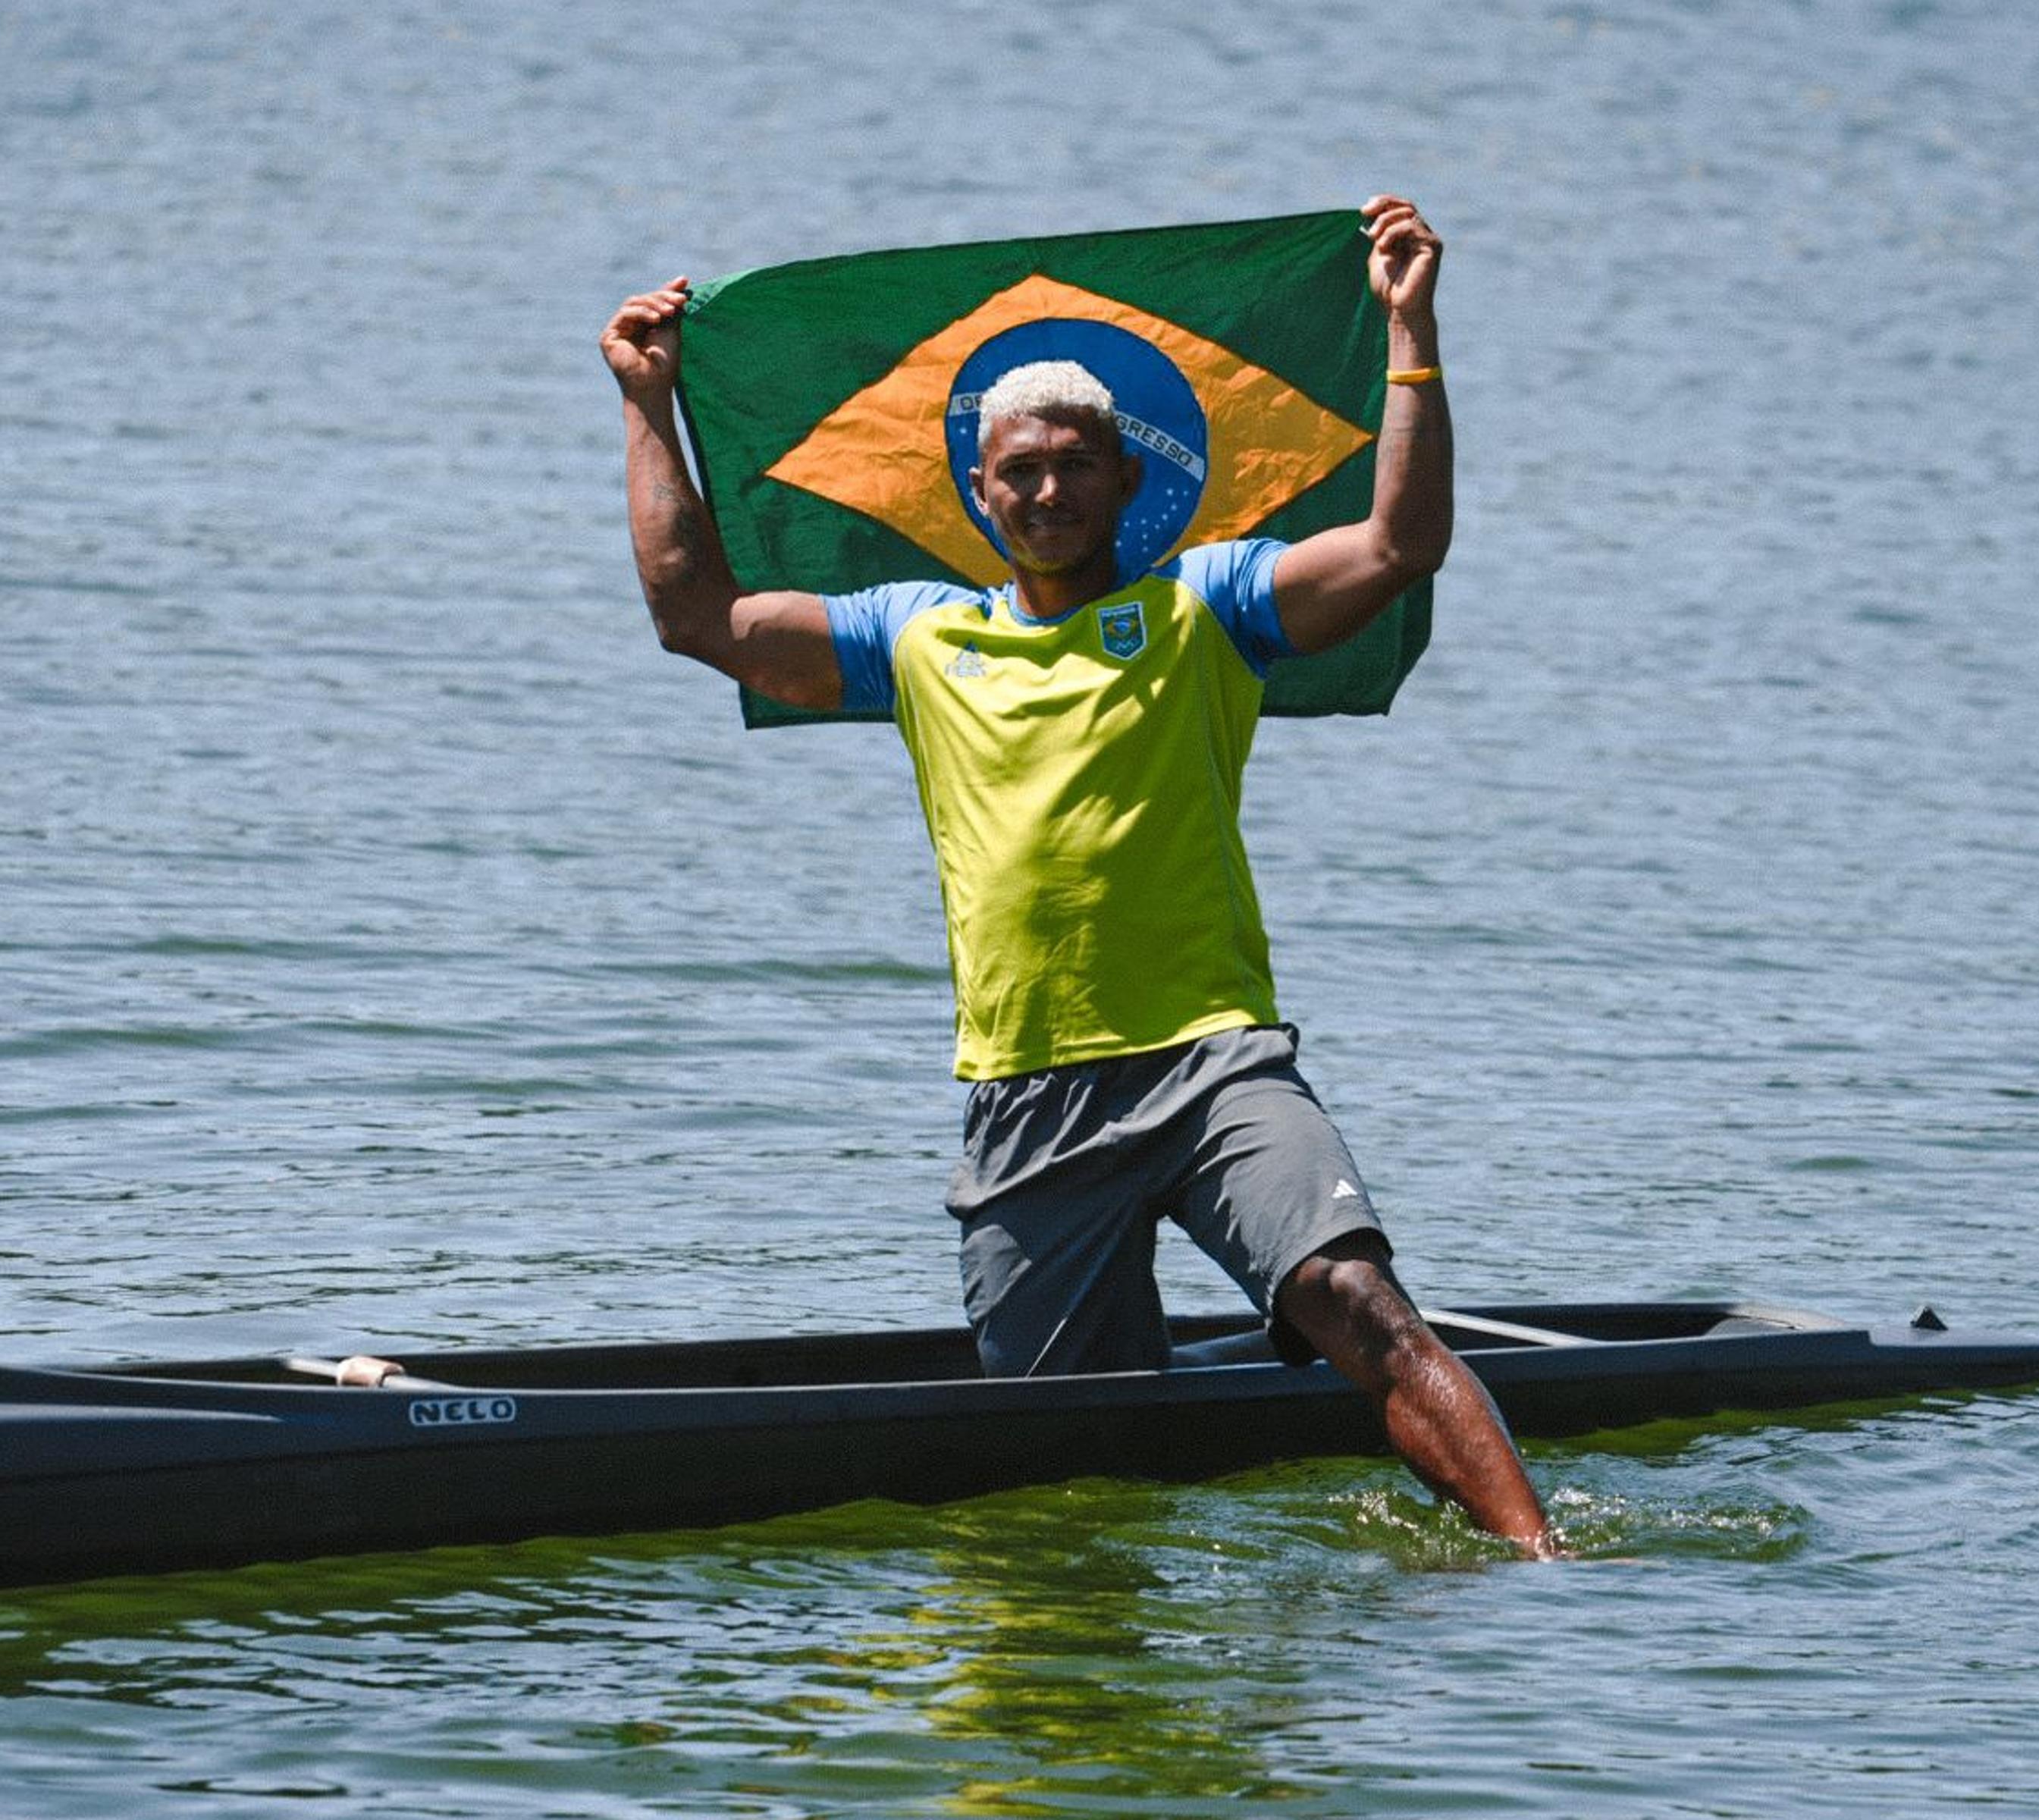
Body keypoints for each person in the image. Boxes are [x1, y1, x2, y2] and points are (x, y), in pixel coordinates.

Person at [597, 196, 1561, 1555]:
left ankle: (1548, 1570)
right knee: (1073, 1464)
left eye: (1073, 465)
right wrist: (647, 404)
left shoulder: (1207, 608)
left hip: (1215, 1067)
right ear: (977, 493)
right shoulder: (915, 640)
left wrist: (1411, 333)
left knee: (1361, 1304)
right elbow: (695, 617)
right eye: (1016, 472)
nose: (1045, 490)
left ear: (1123, 479)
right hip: (1027, 1100)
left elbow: (1399, 547)